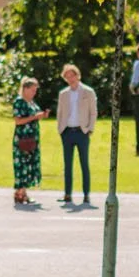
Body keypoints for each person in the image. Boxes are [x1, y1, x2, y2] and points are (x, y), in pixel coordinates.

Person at [55, 62, 98, 208]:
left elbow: (93, 112)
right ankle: (67, 194)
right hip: (67, 131)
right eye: (67, 77)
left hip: (82, 132)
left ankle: (86, 195)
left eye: (72, 75)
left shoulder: (88, 92)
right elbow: (60, 113)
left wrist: (90, 128)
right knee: (68, 165)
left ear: (77, 75)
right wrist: (60, 129)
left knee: (84, 164)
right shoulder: (63, 94)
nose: (70, 79)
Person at [11, 75, 47, 206]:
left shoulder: (31, 102)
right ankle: (19, 193)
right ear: (25, 89)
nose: (34, 92)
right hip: (22, 138)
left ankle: (23, 193)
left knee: (29, 165)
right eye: (32, 90)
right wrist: (34, 117)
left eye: (35, 90)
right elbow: (18, 120)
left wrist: (42, 115)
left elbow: (35, 115)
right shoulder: (19, 102)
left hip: (32, 138)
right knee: (22, 165)